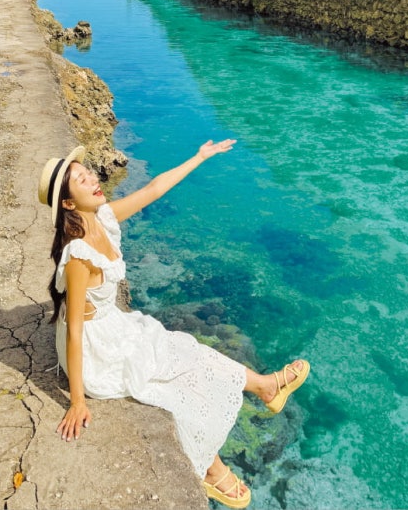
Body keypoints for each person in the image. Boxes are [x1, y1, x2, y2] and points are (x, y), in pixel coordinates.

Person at [38, 140, 310, 509]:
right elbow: (74, 330)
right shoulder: (78, 254)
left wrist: (199, 156)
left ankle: (265, 388)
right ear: (69, 204)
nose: (93, 179)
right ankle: (214, 469)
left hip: (112, 327)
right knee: (171, 390)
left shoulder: (103, 218)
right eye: (81, 180)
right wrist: (77, 402)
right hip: (96, 349)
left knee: (189, 351)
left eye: (89, 173)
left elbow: (153, 189)